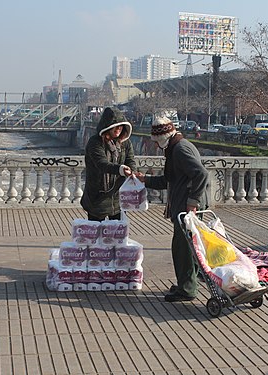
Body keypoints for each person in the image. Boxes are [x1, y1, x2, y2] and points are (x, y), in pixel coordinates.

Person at [135, 116, 208, 303]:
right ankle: (187, 283)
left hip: (186, 206)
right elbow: (171, 180)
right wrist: (146, 179)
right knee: (189, 247)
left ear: (163, 138)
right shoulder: (177, 147)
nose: (158, 146)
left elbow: (201, 174)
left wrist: (192, 202)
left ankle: (187, 289)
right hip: (184, 204)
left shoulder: (180, 150)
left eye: (158, 141)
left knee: (182, 248)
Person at [81, 107, 136, 221]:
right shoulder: (95, 142)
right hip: (97, 196)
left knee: (115, 233)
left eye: (121, 126)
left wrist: (132, 171)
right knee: (96, 231)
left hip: (117, 196)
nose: (118, 129)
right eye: (115, 126)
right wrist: (120, 169)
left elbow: (130, 160)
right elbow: (102, 164)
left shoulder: (125, 143)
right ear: (107, 127)